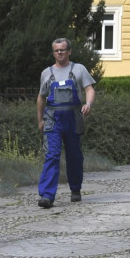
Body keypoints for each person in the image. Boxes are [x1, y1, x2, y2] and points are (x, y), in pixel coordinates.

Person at [36, 37, 95, 208]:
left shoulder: (79, 69)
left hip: (73, 118)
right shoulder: (46, 73)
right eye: (56, 50)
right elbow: (41, 97)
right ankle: (47, 196)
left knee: (74, 155)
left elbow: (90, 88)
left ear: (69, 51)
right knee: (52, 155)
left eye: (63, 49)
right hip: (53, 120)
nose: (59, 52)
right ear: (53, 52)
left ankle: (75, 189)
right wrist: (40, 120)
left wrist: (88, 104)